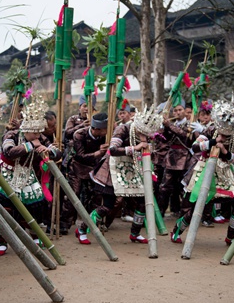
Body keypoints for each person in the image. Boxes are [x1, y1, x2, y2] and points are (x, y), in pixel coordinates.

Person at [170, 99, 234, 248]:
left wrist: (225, 152)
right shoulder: (211, 130)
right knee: (195, 208)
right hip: (205, 172)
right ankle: (177, 232)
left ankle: (231, 237)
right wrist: (212, 142)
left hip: (225, 174)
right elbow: (195, 147)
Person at [80, 106, 162, 244]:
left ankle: (135, 233)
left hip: (133, 169)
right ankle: (82, 229)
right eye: (141, 132)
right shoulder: (123, 129)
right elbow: (112, 150)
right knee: (107, 206)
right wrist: (134, 148)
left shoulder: (146, 135)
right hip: (113, 170)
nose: (143, 135)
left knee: (143, 202)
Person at [0, 94, 61, 256]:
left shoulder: (41, 138)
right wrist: (30, 145)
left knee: (34, 207)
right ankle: (3, 241)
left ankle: (34, 236)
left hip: (28, 176)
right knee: (6, 209)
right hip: (7, 174)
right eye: (34, 133)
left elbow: (57, 153)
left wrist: (49, 151)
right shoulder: (12, 135)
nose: (38, 136)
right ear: (26, 129)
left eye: (39, 133)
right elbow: (8, 152)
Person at [60, 112, 108, 235]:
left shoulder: (107, 136)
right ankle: (64, 224)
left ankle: (90, 223)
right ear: (96, 129)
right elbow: (80, 156)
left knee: (96, 196)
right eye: (105, 129)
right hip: (77, 168)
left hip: (95, 168)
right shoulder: (79, 134)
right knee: (73, 194)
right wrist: (98, 153)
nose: (107, 130)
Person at [156, 101, 193, 217]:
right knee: (165, 187)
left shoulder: (190, 124)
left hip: (185, 158)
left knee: (184, 187)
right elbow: (165, 139)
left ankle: (186, 213)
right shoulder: (172, 123)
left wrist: (169, 126)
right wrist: (164, 128)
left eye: (180, 110)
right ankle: (161, 211)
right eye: (175, 110)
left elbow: (184, 135)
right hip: (171, 158)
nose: (177, 113)